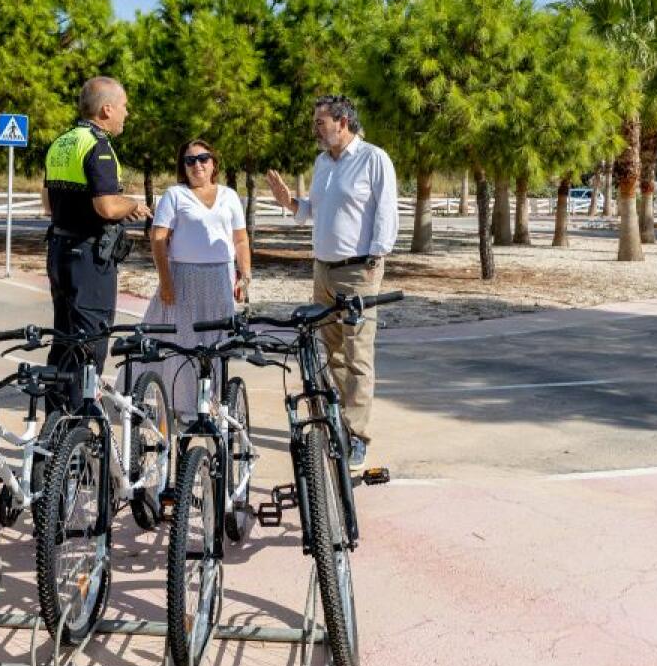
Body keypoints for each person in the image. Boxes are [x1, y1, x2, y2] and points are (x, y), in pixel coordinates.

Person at [266, 95, 398, 470]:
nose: (316, 129)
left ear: (342, 122)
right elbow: (312, 211)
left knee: (358, 355)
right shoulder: (323, 162)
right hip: (322, 269)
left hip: (359, 271)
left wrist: (375, 258)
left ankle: (357, 436)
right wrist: (289, 202)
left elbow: (386, 212)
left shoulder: (374, 159)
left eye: (321, 122)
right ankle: (338, 420)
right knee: (331, 350)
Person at [44, 76, 151, 400]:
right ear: (106, 109)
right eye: (124, 107)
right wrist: (132, 205)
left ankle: (57, 424)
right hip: (89, 258)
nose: (127, 114)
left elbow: (48, 203)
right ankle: (79, 424)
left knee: (63, 340)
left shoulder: (61, 142)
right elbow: (106, 205)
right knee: (89, 342)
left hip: (59, 251)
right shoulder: (98, 146)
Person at [143, 139, 251, 421]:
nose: (197, 165)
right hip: (184, 276)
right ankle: (185, 407)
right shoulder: (175, 195)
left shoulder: (229, 196)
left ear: (213, 163)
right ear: (183, 166)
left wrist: (245, 274)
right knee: (186, 342)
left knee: (217, 341)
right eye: (189, 161)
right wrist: (166, 282)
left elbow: (240, 239)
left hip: (220, 277)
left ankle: (211, 401)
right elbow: (158, 238)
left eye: (203, 158)